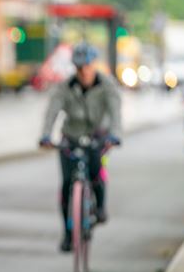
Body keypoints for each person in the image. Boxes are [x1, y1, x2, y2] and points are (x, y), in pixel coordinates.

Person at [38, 42, 122, 253]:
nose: (83, 71)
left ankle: (100, 207)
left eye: (87, 66)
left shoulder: (107, 85)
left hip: (98, 136)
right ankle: (67, 235)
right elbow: (52, 110)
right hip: (71, 136)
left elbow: (115, 112)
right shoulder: (65, 87)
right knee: (67, 183)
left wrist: (115, 135)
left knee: (97, 172)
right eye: (78, 67)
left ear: (94, 65)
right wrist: (46, 135)